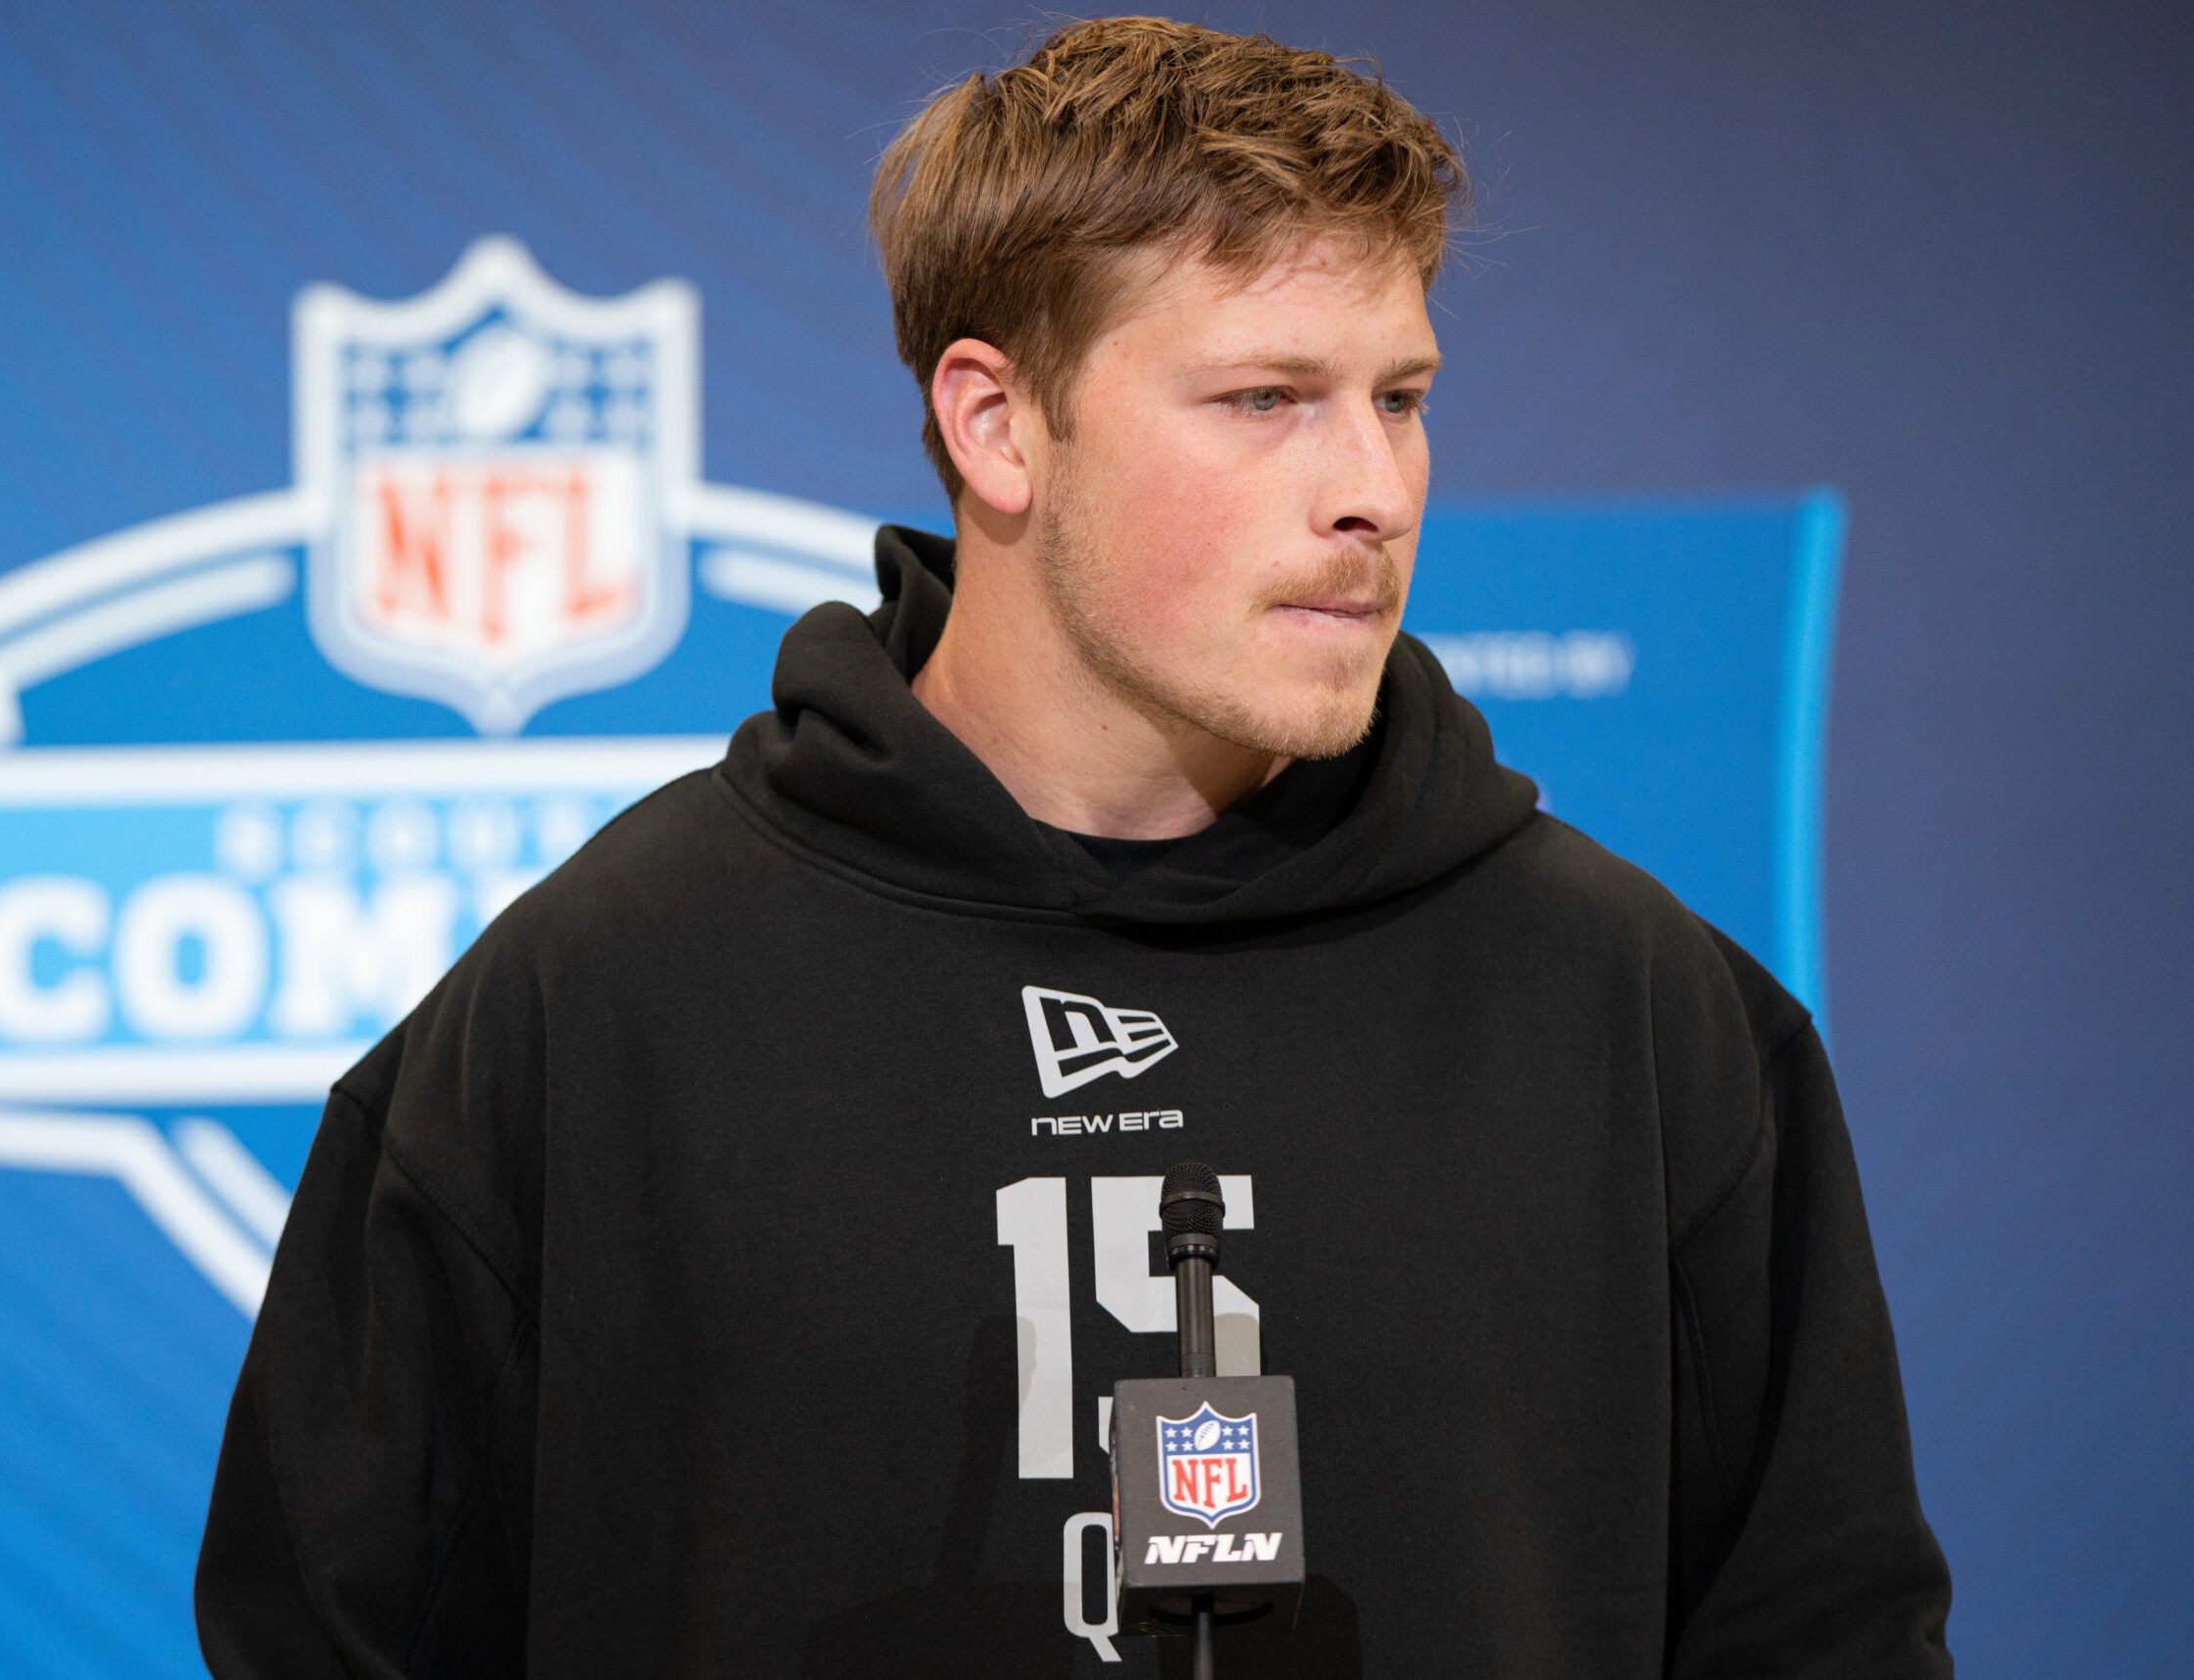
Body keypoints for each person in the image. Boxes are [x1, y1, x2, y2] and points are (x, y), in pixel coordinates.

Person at [195, 18, 1954, 1675]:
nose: (1377, 490)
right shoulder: (592, 1006)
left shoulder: (1643, 1016)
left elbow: (1830, 1638)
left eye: (1398, 396)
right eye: (1266, 398)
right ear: (996, 424)